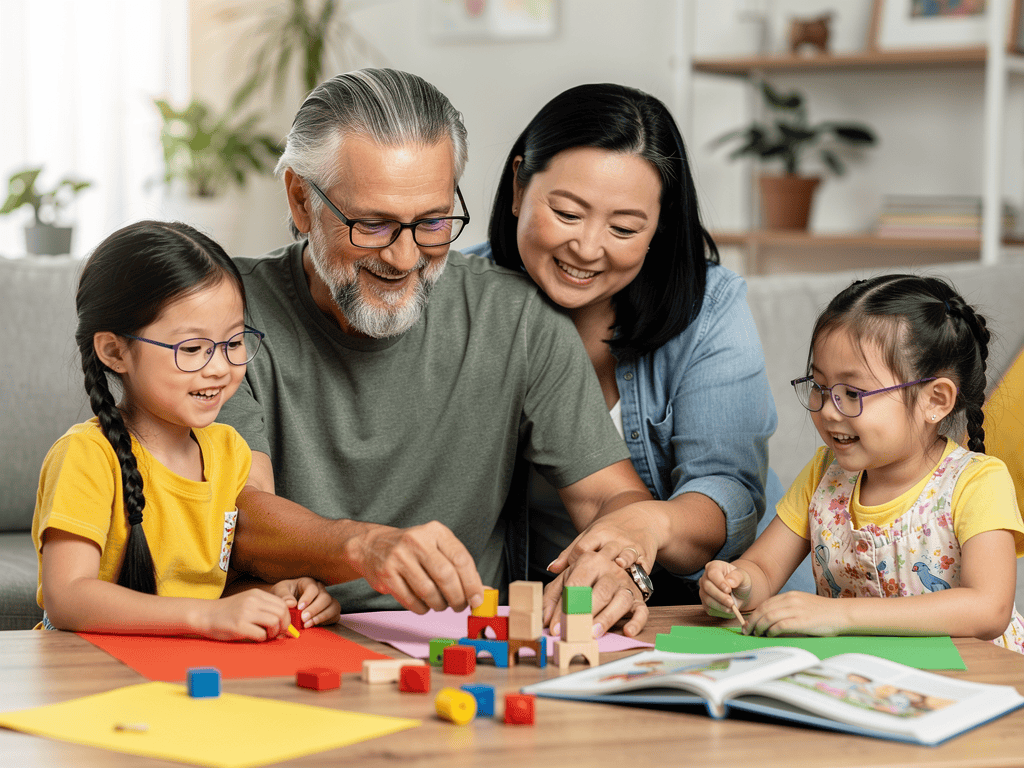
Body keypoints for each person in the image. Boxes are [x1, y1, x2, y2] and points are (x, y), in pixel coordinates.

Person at [218, 68, 658, 635]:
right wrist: (364, 547)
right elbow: (238, 514)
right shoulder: (222, 315)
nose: (404, 259)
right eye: (372, 225)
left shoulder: (520, 320)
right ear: (302, 201)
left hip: (464, 651)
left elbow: (610, 499)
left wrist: (617, 563)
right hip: (285, 637)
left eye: (432, 222)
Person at [472, 83, 777, 609]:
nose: (587, 247)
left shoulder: (709, 309)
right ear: (519, 186)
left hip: (691, 601)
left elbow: (727, 489)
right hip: (523, 604)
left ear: (659, 226)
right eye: (567, 214)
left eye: (624, 227)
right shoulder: (457, 298)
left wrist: (646, 524)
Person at [32, 220, 340, 639]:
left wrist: (275, 595)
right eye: (193, 348)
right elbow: (67, 597)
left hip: (184, 665)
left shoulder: (230, 452)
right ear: (114, 351)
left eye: (234, 343)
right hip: (89, 665)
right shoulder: (86, 456)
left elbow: (214, 589)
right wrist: (206, 617)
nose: (220, 368)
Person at [699, 274, 1024, 653]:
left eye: (852, 393)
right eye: (819, 386)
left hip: (976, 676)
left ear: (935, 400)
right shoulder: (825, 474)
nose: (828, 411)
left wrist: (838, 615)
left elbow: (988, 608)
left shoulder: (977, 482)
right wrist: (737, 584)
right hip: (863, 673)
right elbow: (764, 569)